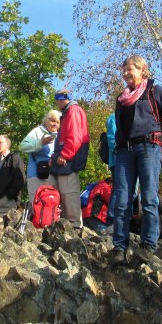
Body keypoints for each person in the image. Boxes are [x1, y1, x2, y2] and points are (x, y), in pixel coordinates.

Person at [109, 55, 162, 265]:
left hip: (150, 147)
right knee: (121, 201)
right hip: (124, 152)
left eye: (130, 69)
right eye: (124, 70)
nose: (126, 73)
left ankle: (148, 246)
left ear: (142, 70)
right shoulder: (121, 99)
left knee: (148, 199)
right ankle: (119, 248)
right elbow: (120, 129)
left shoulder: (155, 91)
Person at [50, 90, 91, 228]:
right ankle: (70, 228)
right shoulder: (69, 112)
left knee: (69, 195)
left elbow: (75, 137)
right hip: (65, 161)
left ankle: (75, 228)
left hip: (69, 161)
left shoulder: (73, 111)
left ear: (61, 99)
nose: (56, 103)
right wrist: (54, 157)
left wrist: (64, 155)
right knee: (66, 195)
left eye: (57, 99)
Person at [20, 110, 61, 202]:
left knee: (53, 207)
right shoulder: (37, 132)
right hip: (37, 176)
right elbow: (23, 147)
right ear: (46, 120)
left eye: (58, 122)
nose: (55, 124)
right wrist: (41, 142)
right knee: (37, 206)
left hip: (54, 176)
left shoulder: (59, 135)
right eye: (53, 121)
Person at [0, 135, 26, 217]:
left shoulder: (14, 158)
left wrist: (8, 196)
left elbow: (20, 180)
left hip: (5, 200)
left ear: (7, 144)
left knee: (3, 227)